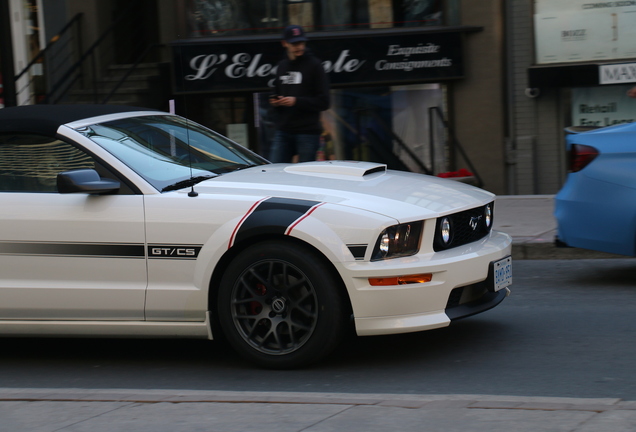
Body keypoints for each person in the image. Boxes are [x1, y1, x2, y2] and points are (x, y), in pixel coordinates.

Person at [268, 25, 330, 163]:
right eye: (294, 43)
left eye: (301, 42)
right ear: (284, 43)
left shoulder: (315, 66)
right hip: (284, 130)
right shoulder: (282, 66)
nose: (299, 47)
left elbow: (324, 102)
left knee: (305, 177)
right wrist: (275, 102)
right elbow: (277, 93)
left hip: (308, 132)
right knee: (275, 173)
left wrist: (296, 101)